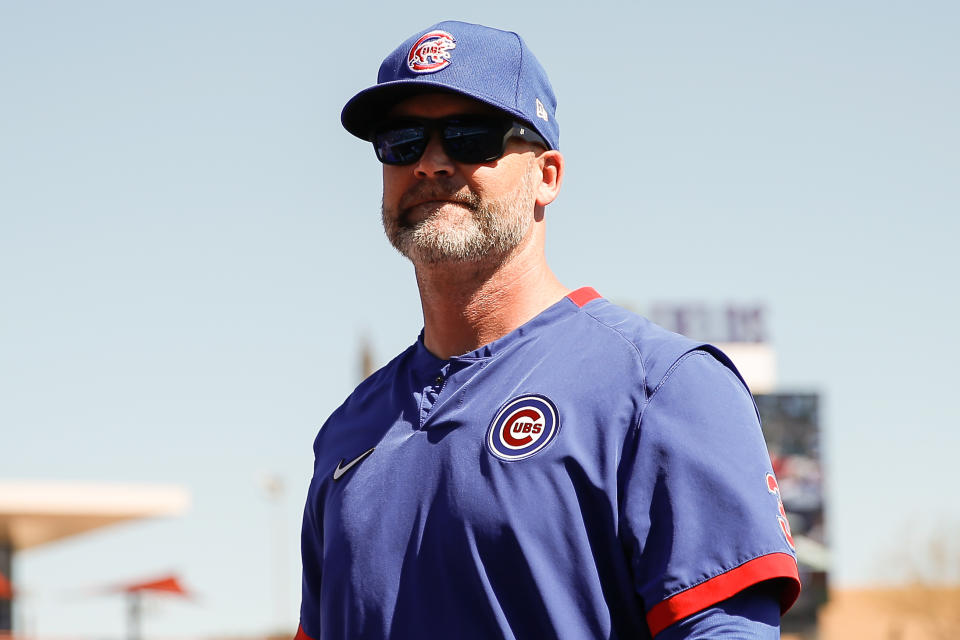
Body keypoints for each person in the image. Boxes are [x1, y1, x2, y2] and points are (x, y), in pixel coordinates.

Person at [296, 21, 800, 640]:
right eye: (400, 141)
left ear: (548, 176)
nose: (430, 162)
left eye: (468, 136)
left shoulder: (662, 385)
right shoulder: (350, 430)